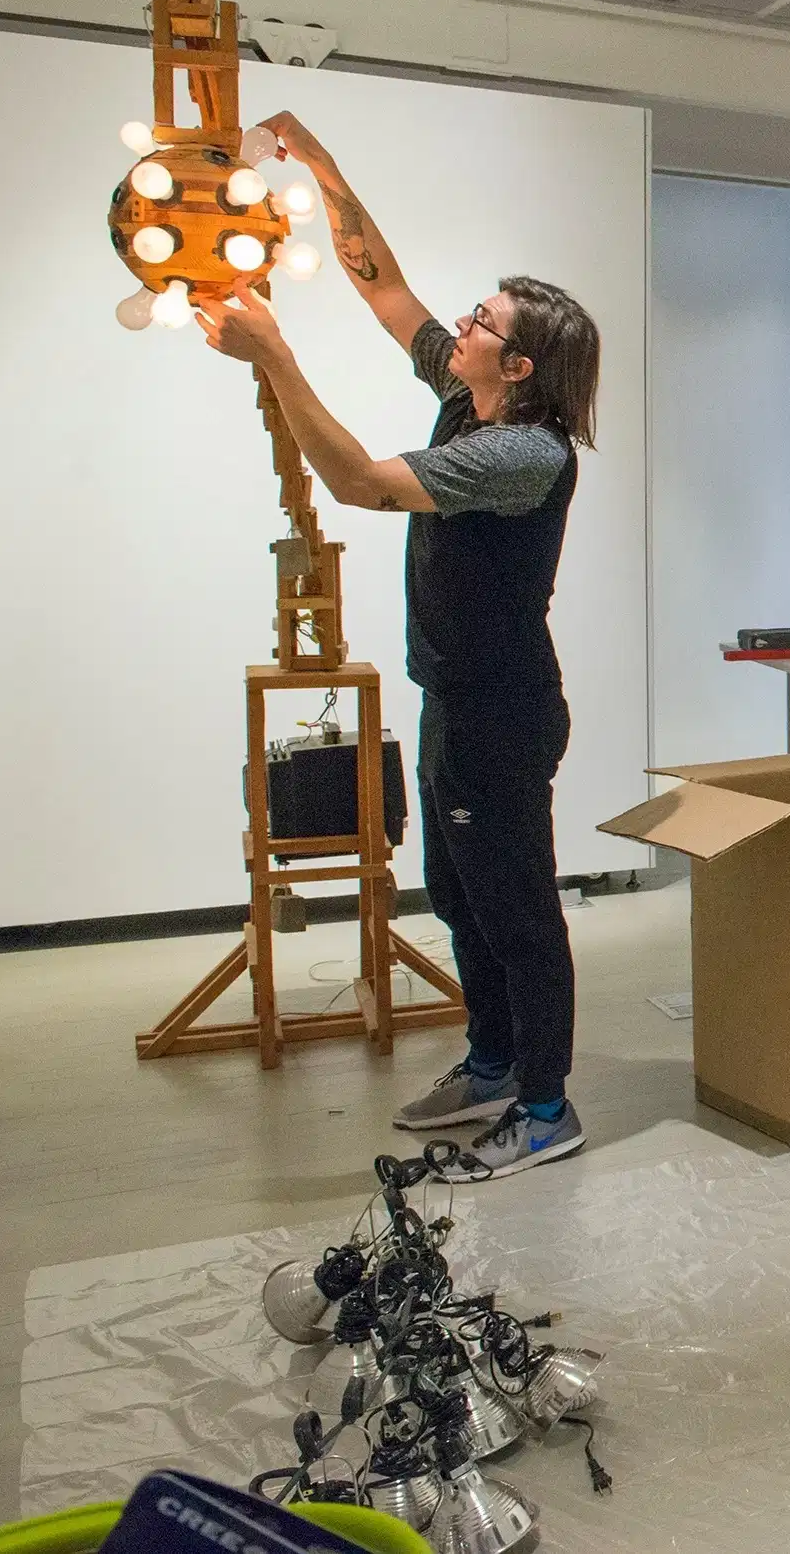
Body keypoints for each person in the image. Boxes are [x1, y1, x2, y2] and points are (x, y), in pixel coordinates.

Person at [193, 110, 601, 1181]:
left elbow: (363, 485)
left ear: (515, 362)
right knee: (460, 892)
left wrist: (275, 353)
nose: (454, 322)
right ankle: (494, 1059)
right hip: (454, 695)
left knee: (515, 902)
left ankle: (548, 1106)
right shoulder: (470, 401)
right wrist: (323, 166)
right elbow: (384, 288)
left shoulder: (522, 451)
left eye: (478, 318)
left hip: (503, 706)